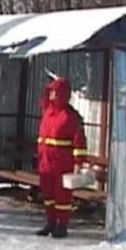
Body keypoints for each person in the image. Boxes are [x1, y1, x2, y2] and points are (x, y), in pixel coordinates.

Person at [36, 77, 88, 239]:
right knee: (48, 196)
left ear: (64, 94)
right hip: (46, 163)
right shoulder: (47, 113)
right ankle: (50, 222)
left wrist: (79, 163)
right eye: (51, 92)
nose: (52, 95)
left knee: (62, 197)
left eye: (56, 92)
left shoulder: (71, 117)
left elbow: (79, 142)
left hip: (62, 165)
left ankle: (62, 225)